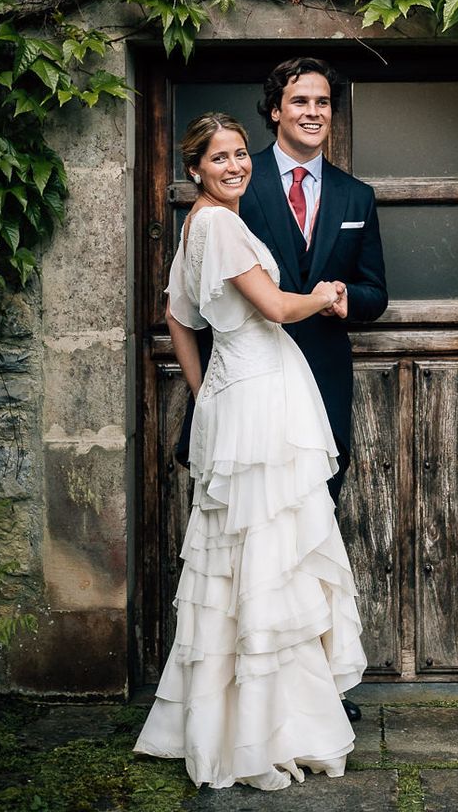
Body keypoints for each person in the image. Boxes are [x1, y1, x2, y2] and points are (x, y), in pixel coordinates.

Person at [134, 113, 367, 791]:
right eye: (219, 158)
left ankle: (247, 717)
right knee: (270, 550)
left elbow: (178, 315)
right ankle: (268, 727)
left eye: (240, 155)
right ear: (195, 169)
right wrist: (322, 294)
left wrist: (207, 386)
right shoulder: (218, 225)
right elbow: (272, 308)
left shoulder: (195, 227)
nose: (235, 166)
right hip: (261, 398)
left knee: (245, 554)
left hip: (241, 392)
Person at [174, 56, 388, 722]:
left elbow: (376, 292)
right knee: (254, 547)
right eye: (299, 101)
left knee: (307, 542)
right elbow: (198, 304)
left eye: (322, 102)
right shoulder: (236, 187)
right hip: (251, 400)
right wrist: (210, 390)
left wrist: (346, 297)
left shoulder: (356, 197)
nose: (312, 113)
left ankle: (313, 686)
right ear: (276, 109)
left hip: (318, 387)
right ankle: (264, 695)